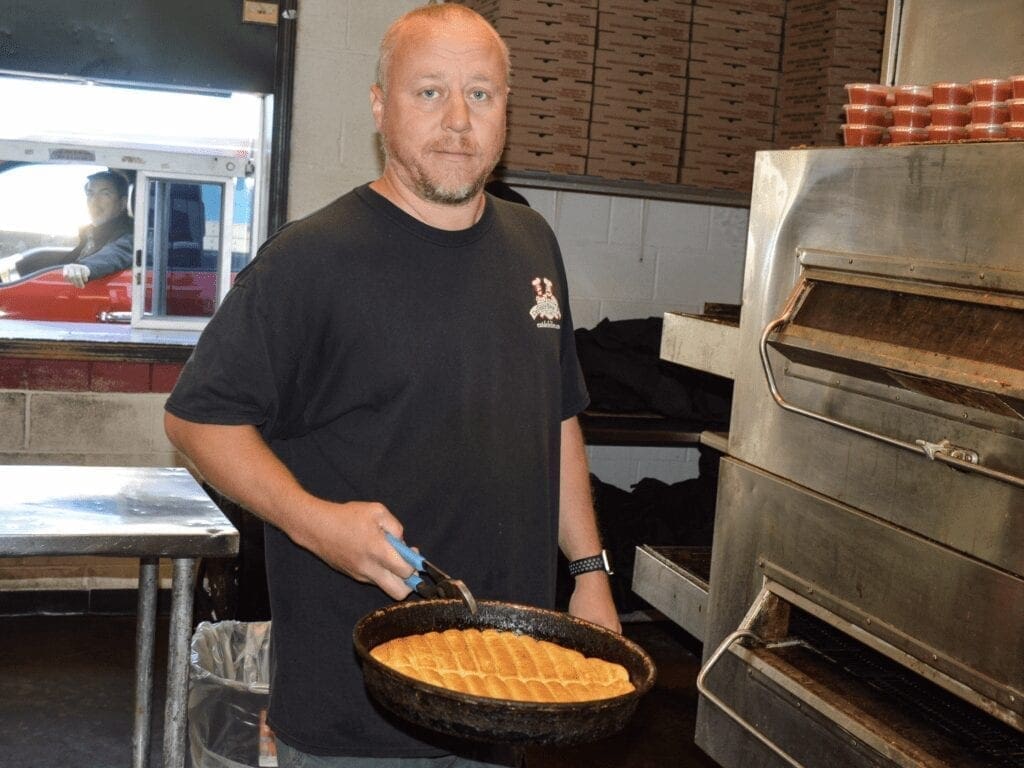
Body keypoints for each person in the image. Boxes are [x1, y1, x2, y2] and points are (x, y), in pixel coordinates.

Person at [164, 4, 618, 766]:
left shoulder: (532, 242)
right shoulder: (311, 262)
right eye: (428, 92)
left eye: (481, 94)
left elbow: (558, 419)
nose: (458, 121)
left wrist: (590, 575)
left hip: (504, 689)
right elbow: (197, 420)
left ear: (507, 107)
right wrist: (315, 522)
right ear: (380, 105)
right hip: (358, 717)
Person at [2, 170, 133, 287]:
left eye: (105, 194)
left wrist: (85, 267)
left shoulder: (129, 235)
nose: (94, 201)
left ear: (122, 203)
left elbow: (120, 251)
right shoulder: (91, 233)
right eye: (90, 193)